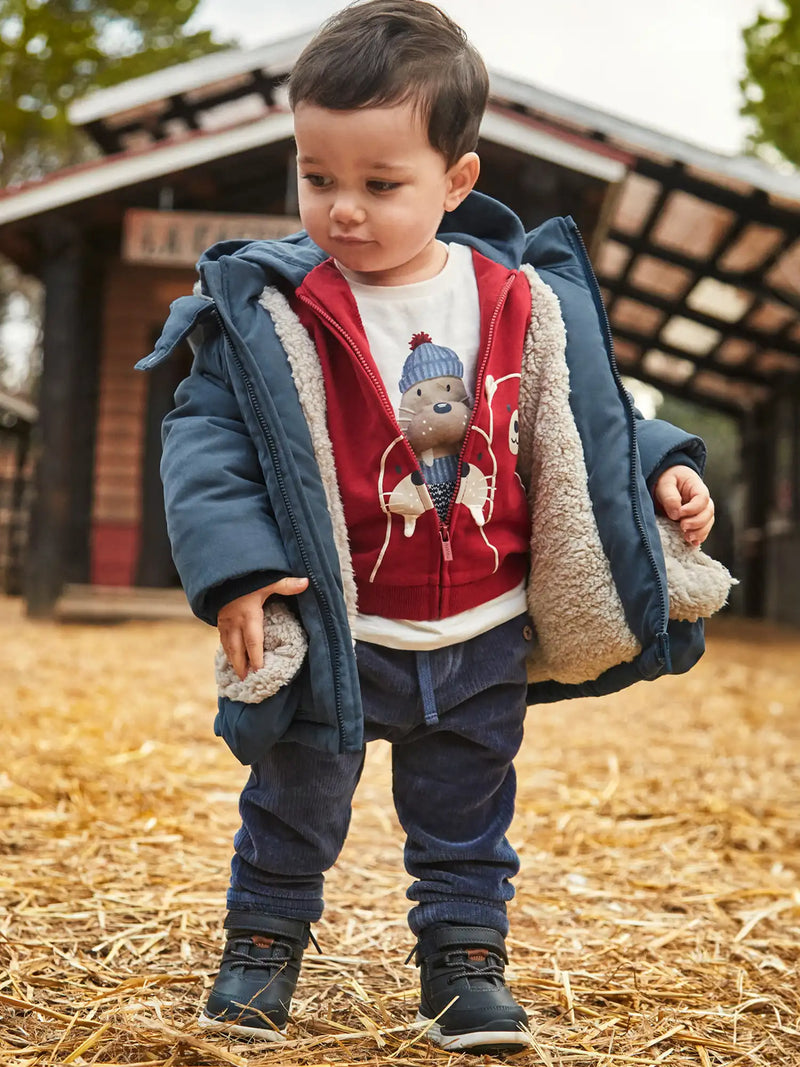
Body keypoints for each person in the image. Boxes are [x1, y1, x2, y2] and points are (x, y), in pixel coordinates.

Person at [140, 0, 730, 1053]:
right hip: (337, 626)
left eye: (379, 184)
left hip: (481, 631)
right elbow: (209, 445)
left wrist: (663, 468)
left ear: (455, 181)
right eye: (317, 178)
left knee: (465, 815)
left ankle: (463, 964)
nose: (343, 210)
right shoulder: (276, 310)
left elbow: (582, 420)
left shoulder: (515, 300)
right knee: (293, 798)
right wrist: (235, 571)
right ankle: (262, 945)